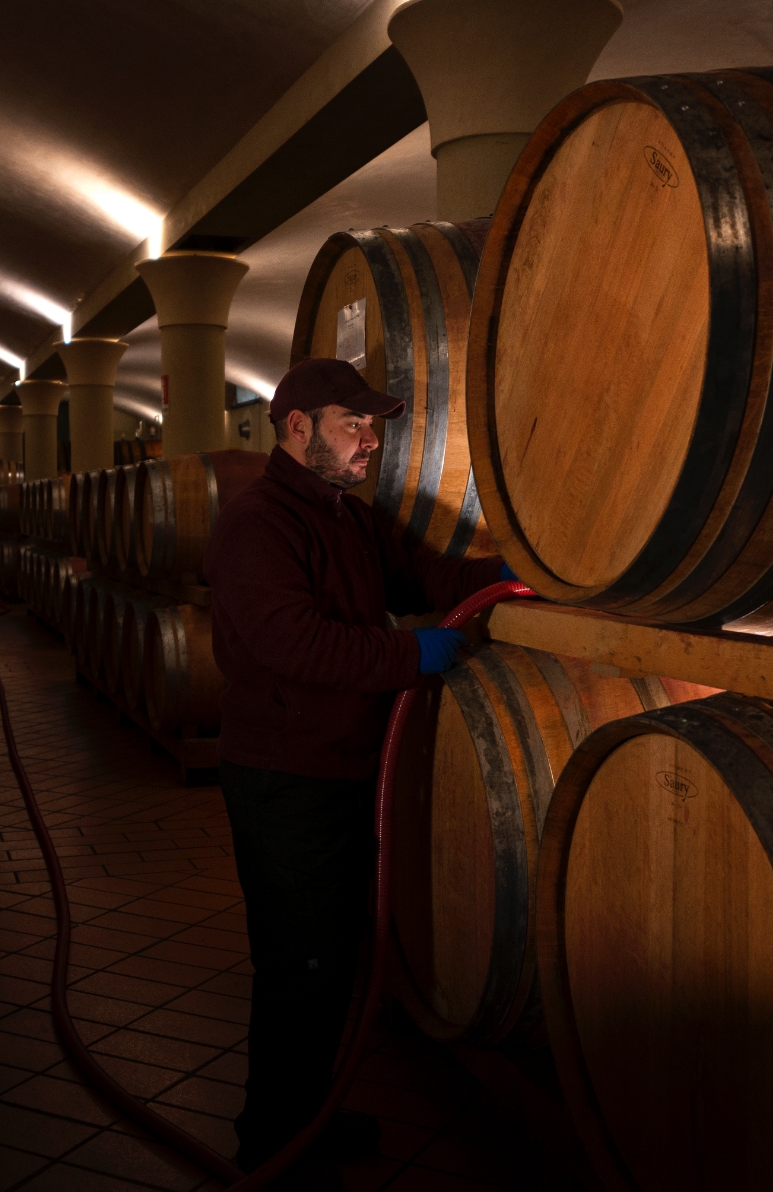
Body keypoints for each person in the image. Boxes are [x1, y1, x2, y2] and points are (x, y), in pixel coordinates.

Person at [202, 357, 511, 1186]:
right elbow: (290, 642)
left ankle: (308, 1114)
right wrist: (411, 652)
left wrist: (514, 581)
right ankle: (273, 1139)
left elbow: (429, 576)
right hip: (284, 777)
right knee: (300, 963)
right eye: (353, 424)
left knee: (331, 958)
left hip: (341, 769)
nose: (371, 441)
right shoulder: (258, 524)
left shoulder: (348, 517)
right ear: (296, 427)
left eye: (375, 426)